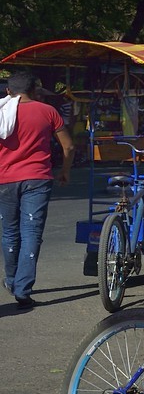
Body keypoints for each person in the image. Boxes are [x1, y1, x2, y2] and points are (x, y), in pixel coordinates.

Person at [2, 71, 73, 310]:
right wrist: (65, 170)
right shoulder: (48, 111)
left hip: (4, 180)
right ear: (35, 90)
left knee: (9, 232)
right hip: (38, 179)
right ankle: (22, 289)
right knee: (31, 233)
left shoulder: (2, 113)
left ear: (8, 91)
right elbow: (69, 146)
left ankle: (12, 281)